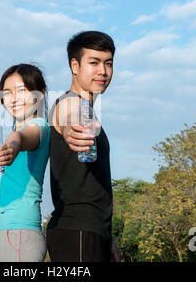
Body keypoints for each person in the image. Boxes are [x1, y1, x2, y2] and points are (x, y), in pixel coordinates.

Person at [47, 31, 121, 262]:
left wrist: (107, 238)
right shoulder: (69, 102)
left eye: (108, 63)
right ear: (75, 66)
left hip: (93, 232)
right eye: (94, 62)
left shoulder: (88, 111)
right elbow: (71, 115)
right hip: (76, 229)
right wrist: (72, 129)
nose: (103, 71)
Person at [0, 63, 50, 262]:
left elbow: (19, 137)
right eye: (7, 92)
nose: (13, 98)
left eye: (21, 90)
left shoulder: (39, 126)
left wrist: (11, 148)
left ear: (40, 94)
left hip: (18, 233)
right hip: (2, 233)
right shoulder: (18, 131)